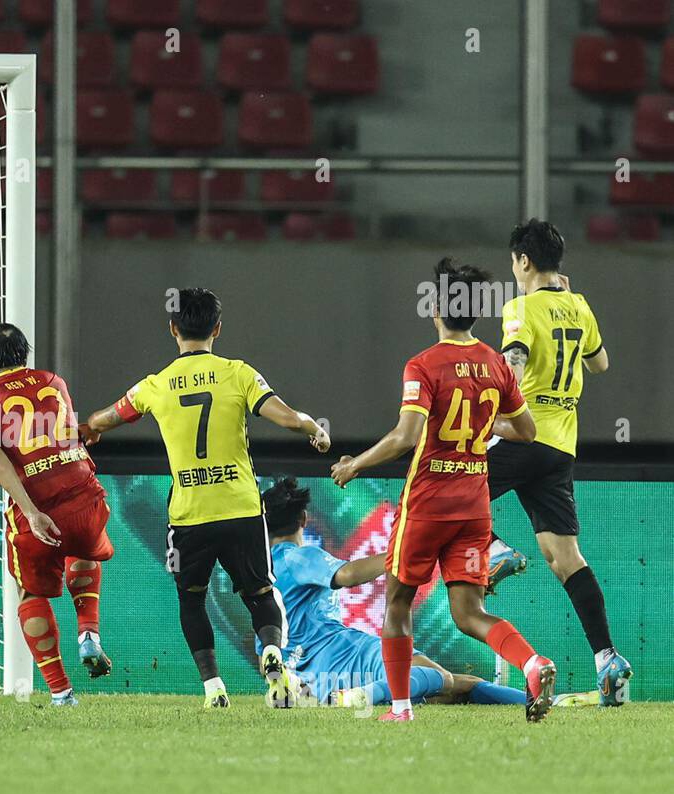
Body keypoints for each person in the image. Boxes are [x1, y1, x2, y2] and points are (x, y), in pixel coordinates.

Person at [81, 287, 330, 709]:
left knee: (191, 599)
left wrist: (92, 428)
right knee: (260, 593)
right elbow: (288, 416)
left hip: (189, 516)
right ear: (217, 328)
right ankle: (270, 649)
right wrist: (314, 430)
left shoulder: (154, 385)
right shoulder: (238, 373)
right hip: (241, 509)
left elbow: (105, 417)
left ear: (172, 328)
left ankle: (213, 687)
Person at [331, 258, 555, 723]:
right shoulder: (496, 365)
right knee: (469, 612)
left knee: (397, 600)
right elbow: (527, 430)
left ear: (435, 308)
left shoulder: (423, 365)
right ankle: (533, 663)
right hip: (474, 508)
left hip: (428, 504)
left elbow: (405, 437)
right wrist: (479, 422)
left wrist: (356, 464)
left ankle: (400, 709)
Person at [489, 219, 632, 705]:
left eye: (514, 262)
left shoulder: (520, 308)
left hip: (522, 435)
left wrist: (492, 417)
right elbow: (601, 364)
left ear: (523, 261)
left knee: (446, 481)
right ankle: (607, 658)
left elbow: (511, 363)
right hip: (560, 449)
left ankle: (492, 550)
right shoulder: (580, 306)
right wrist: (569, 307)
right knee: (564, 557)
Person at [261, 477, 527, 708]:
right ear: (304, 519)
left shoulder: (259, 570)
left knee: (449, 691)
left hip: (309, 674)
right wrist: (403, 555)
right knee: (445, 680)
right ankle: (365, 695)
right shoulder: (298, 556)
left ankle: (344, 694)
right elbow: (348, 575)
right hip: (348, 654)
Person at [0, 323, 113, 706]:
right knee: (84, 548)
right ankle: (88, 633)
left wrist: (30, 510)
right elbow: (43, 451)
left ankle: (61, 693)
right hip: (88, 500)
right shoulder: (53, 382)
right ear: (24, 356)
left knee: (28, 592)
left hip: (40, 511)